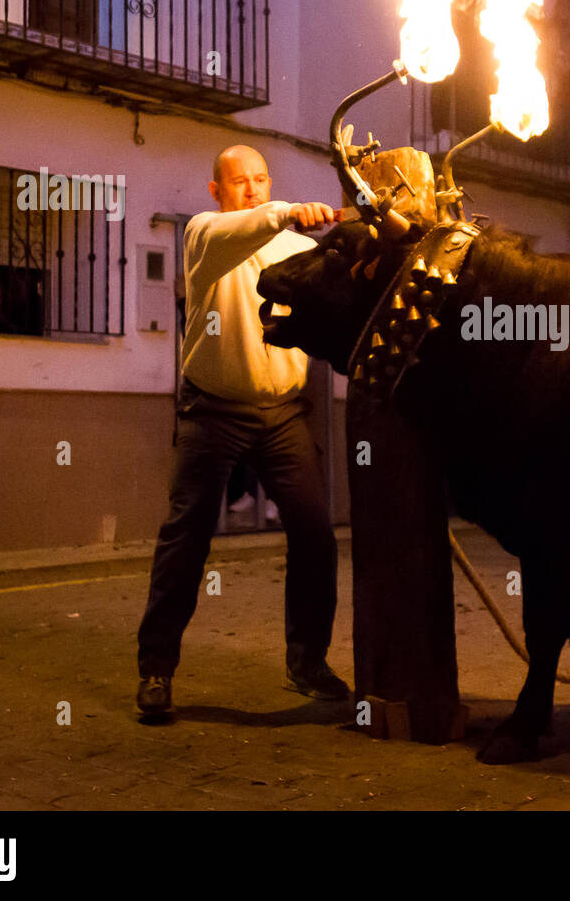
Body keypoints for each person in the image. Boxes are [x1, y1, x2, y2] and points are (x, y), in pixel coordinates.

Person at [136, 144, 345, 716]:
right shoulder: (205, 236)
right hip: (213, 409)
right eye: (239, 182)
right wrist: (285, 210)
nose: (252, 190)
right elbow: (249, 226)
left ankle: (307, 661)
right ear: (216, 191)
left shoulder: (298, 247)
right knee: (186, 537)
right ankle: (156, 670)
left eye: (260, 180)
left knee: (315, 535)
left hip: (282, 412)